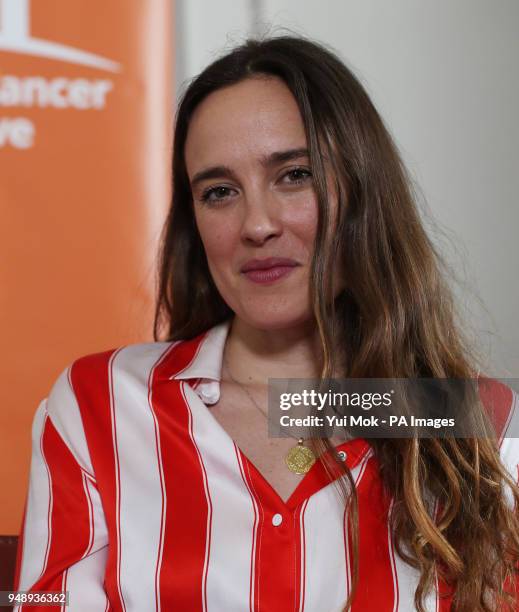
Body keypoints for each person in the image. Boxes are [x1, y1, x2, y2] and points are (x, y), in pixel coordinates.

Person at [14, 35, 519, 612]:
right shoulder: (100, 402)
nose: (256, 224)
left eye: (294, 175)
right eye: (219, 191)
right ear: (194, 223)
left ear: (363, 194)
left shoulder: (476, 420)